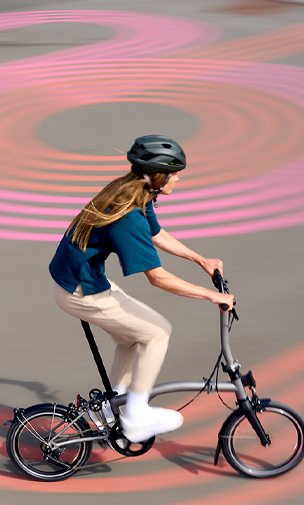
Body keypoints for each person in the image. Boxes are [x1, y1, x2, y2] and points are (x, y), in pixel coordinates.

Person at [49, 135, 234, 443]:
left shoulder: (134, 191)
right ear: (158, 177)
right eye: (174, 173)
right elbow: (157, 277)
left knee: (133, 336)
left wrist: (200, 259)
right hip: (80, 291)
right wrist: (211, 295)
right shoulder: (128, 217)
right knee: (157, 331)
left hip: (81, 280)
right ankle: (135, 415)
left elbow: (156, 234)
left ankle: (114, 405)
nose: (178, 178)